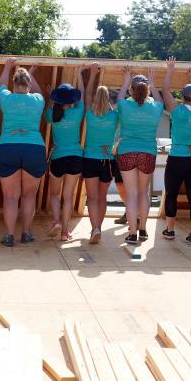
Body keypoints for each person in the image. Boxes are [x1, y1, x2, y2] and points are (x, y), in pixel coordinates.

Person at [0, 57, 46, 247]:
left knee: (10, 196)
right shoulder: (37, 100)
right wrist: (31, 75)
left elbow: (0, 84)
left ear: (14, 83)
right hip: (34, 148)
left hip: (8, 147)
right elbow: (39, 92)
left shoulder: (6, 98)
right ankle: (26, 233)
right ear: (29, 84)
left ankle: (9, 236)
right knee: (29, 196)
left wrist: (8, 66)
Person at [160, 58, 191, 245]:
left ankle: (170, 230)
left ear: (182, 96)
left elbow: (165, 91)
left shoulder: (177, 110)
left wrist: (170, 70)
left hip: (178, 158)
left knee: (171, 194)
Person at [116, 67, 164, 246]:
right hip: (148, 153)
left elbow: (119, 97)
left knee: (132, 194)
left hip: (127, 151)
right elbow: (160, 100)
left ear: (131, 89)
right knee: (144, 193)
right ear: (147, 89)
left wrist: (125, 80)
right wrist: (152, 83)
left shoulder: (125, 105)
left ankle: (132, 233)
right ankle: (143, 229)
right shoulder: (156, 107)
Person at [81, 62, 120, 244]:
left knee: (92, 197)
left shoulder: (90, 113)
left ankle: (94, 227)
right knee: (103, 197)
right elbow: (120, 101)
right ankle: (99, 228)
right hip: (108, 160)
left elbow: (87, 94)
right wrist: (126, 79)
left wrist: (91, 74)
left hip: (90, 158)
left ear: (96, 98)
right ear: (109, 99)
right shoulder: (114, 116)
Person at [46, 66, 86, 242]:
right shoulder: (78, 111)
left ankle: (56, 222)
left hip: (58, 157)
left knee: (54, 194)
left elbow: (51, 108)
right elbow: (82, 95)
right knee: (68, 196)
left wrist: (51, 97)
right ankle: (65, 232)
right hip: (76, 156)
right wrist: (78, 73)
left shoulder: (51, 114)